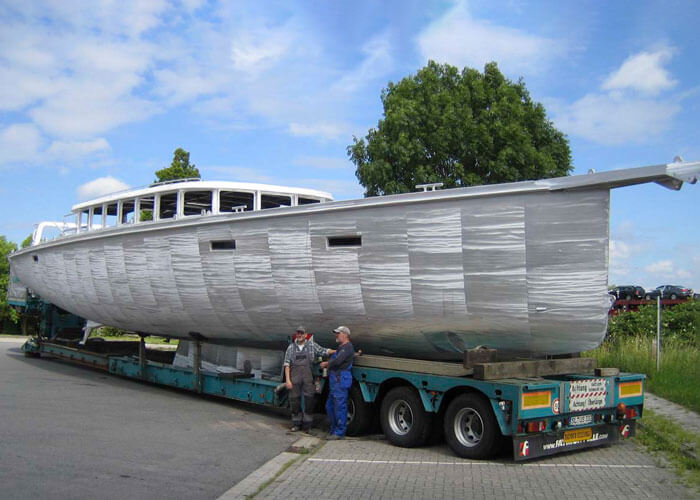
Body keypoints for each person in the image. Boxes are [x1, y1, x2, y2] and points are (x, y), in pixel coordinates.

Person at [283, 326, 331, 432]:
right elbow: (287, 365)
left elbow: (324, 351)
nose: (299, 335)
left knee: (309, 402)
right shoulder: (291, 348)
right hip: (294, 379)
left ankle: (307, 426)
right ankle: (296, 424)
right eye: (298, 333)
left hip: (308, 378)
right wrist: (288, 380)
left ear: (305, 335)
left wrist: (340, 350)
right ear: (296, 334)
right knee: (294, 401)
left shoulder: (312, 346)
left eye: (302, 333)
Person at [320, 325, 355, 440]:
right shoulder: (341, 348)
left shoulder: (347, 348)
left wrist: (327, 364)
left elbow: (338, 360)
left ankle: (339, 432)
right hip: (335, 382)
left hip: (340, 380)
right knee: (329, 406)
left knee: (340, 407)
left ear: (345, 335)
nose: (337, 335)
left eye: (338, 333)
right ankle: (334, 429)